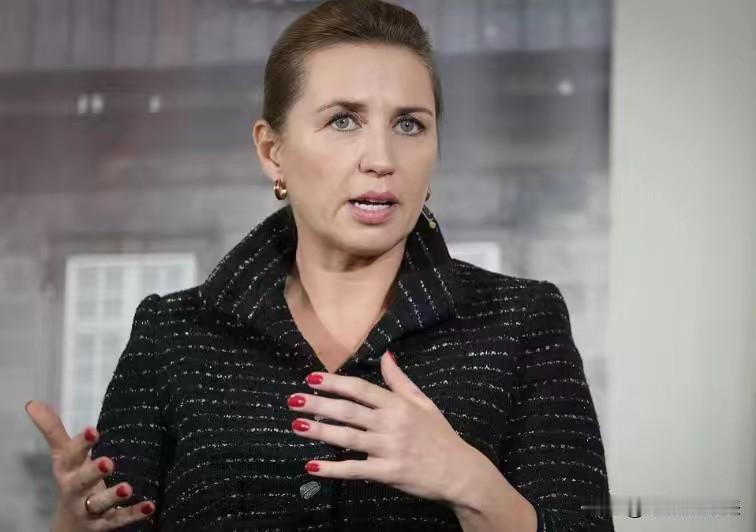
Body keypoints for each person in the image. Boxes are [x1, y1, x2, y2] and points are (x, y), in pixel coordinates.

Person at [25, 0, 615, 530]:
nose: (381, 158)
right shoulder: (172, 334)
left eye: (409, 124)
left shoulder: (522, 321)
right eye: (343, 120)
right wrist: (72, 528)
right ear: (272, 150)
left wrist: (471, 485)